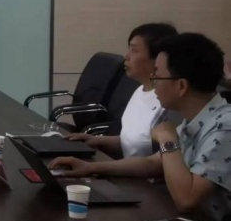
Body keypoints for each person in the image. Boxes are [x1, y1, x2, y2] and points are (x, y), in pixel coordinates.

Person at [51, 33, 231, 221]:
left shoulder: (225, 126)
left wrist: (167, 139)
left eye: (157, 75)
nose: (153, 81)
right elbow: (152, 163)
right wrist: (90, 167)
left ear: (181, 86)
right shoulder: (198, 117)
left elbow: (186, 200)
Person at [68, 23, 178, 158]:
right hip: (125, 167)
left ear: (158, 59)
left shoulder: (169, 103)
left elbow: (154, 162)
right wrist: (96, 140)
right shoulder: (139, 90)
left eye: (134, 51)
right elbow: (132, 143)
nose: (126, 56)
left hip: (138, 171)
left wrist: (94, 167)